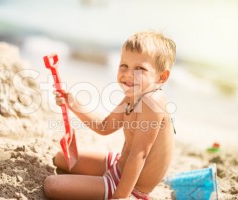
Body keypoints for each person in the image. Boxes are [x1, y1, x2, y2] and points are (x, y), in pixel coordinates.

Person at [43, 31, 176, 200]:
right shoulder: (131, 96)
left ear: (162, 76)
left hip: (131, 186)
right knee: (61, 158)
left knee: (52, 185)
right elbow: (104, 127)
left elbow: (139, 154)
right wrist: (73, 104)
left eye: (139, 68)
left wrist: (120, 196)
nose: (128, 73)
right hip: (119, 166)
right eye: (124, 65)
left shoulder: (153, 102)